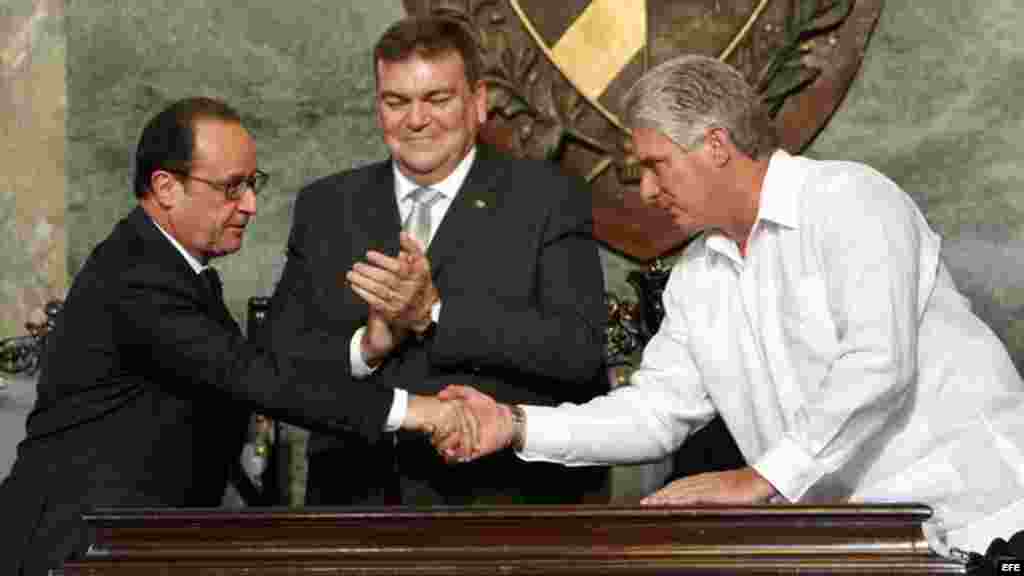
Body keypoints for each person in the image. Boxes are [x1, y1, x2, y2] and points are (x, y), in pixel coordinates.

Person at [438, 54, 1024, 556]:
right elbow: (653, 413)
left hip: (989, 524)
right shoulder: (696, 277)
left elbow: (878, 365)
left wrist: (760, 479)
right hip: (865, 547)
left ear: (716, 145)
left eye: (654, 165)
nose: (644, 190)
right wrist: (515, 425)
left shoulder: (852, 200)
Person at [0, 97, 475, 576]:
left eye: (252, 183)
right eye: (231, 187)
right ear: (166, 187)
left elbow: (249, 368)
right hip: (70, 550)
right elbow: (254, 378)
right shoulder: (137, 278)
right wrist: (420, 411)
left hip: (125, 544)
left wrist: (367, 349)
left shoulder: (176, 267)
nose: (250, 205)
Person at [269, 15, 607, 506]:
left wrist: (433, 315)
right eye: (396, 102)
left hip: (500, 510)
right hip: (354, 509)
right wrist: (367, 347)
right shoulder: (327, 205)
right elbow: (276, 363)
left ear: (478, 103)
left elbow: (577, 353)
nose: (416, 119)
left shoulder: (548, 198)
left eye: (437, 99)